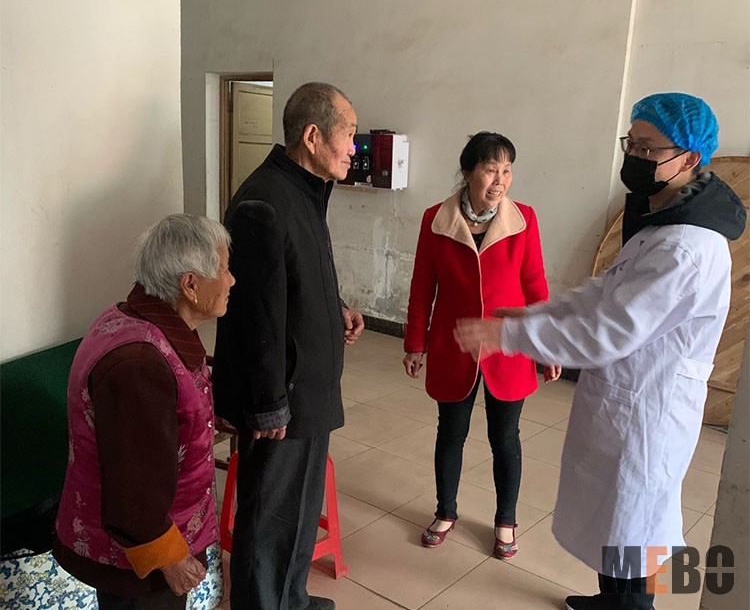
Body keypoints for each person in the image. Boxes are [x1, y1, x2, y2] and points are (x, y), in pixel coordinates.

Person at [454, 93, 746, 610]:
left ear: (690, 158)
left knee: (635, 522)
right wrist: (536, 315)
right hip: (628, 396)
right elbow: (604, 292)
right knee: (617, 516)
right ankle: (611, 600)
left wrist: (509, 338)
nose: (634, 156)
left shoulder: (685, 247)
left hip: (650, 410)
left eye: (648, 149)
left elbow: (607, 332)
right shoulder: (662, 222)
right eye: (631, 143)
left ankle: (630, 607)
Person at [212, 82, 365, 610]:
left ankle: (291, 599)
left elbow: (295, 279)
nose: (354, 148)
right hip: (282, 398)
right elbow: (255, 315)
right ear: (313, 136)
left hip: (308, 390)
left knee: (299, 510)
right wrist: (268, 402)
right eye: (349, 134)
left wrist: (334, 310)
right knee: (271, 515)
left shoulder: (305, 191)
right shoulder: (264, 202)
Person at [53, 214, 235, 610]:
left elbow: (165, 413)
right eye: (223, 269)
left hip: (148, 541)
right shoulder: (139, 364)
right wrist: (170, 558)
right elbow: (134, 491)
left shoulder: (134, 320)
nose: (231, 280)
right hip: (140, 561)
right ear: (190, 285)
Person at [403, 132, 560, 559]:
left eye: (507, 170)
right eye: (491, 170)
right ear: (468, 171)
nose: (500, 180)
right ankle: (445, 511)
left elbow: (535, 287)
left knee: (505, 437)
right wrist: (415, 342)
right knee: (450, 433)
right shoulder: (436, 219)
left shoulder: (523, 219)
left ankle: (506, 520)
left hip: (508, 347)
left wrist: (547, 345)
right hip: (455, 344)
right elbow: (422, 287)